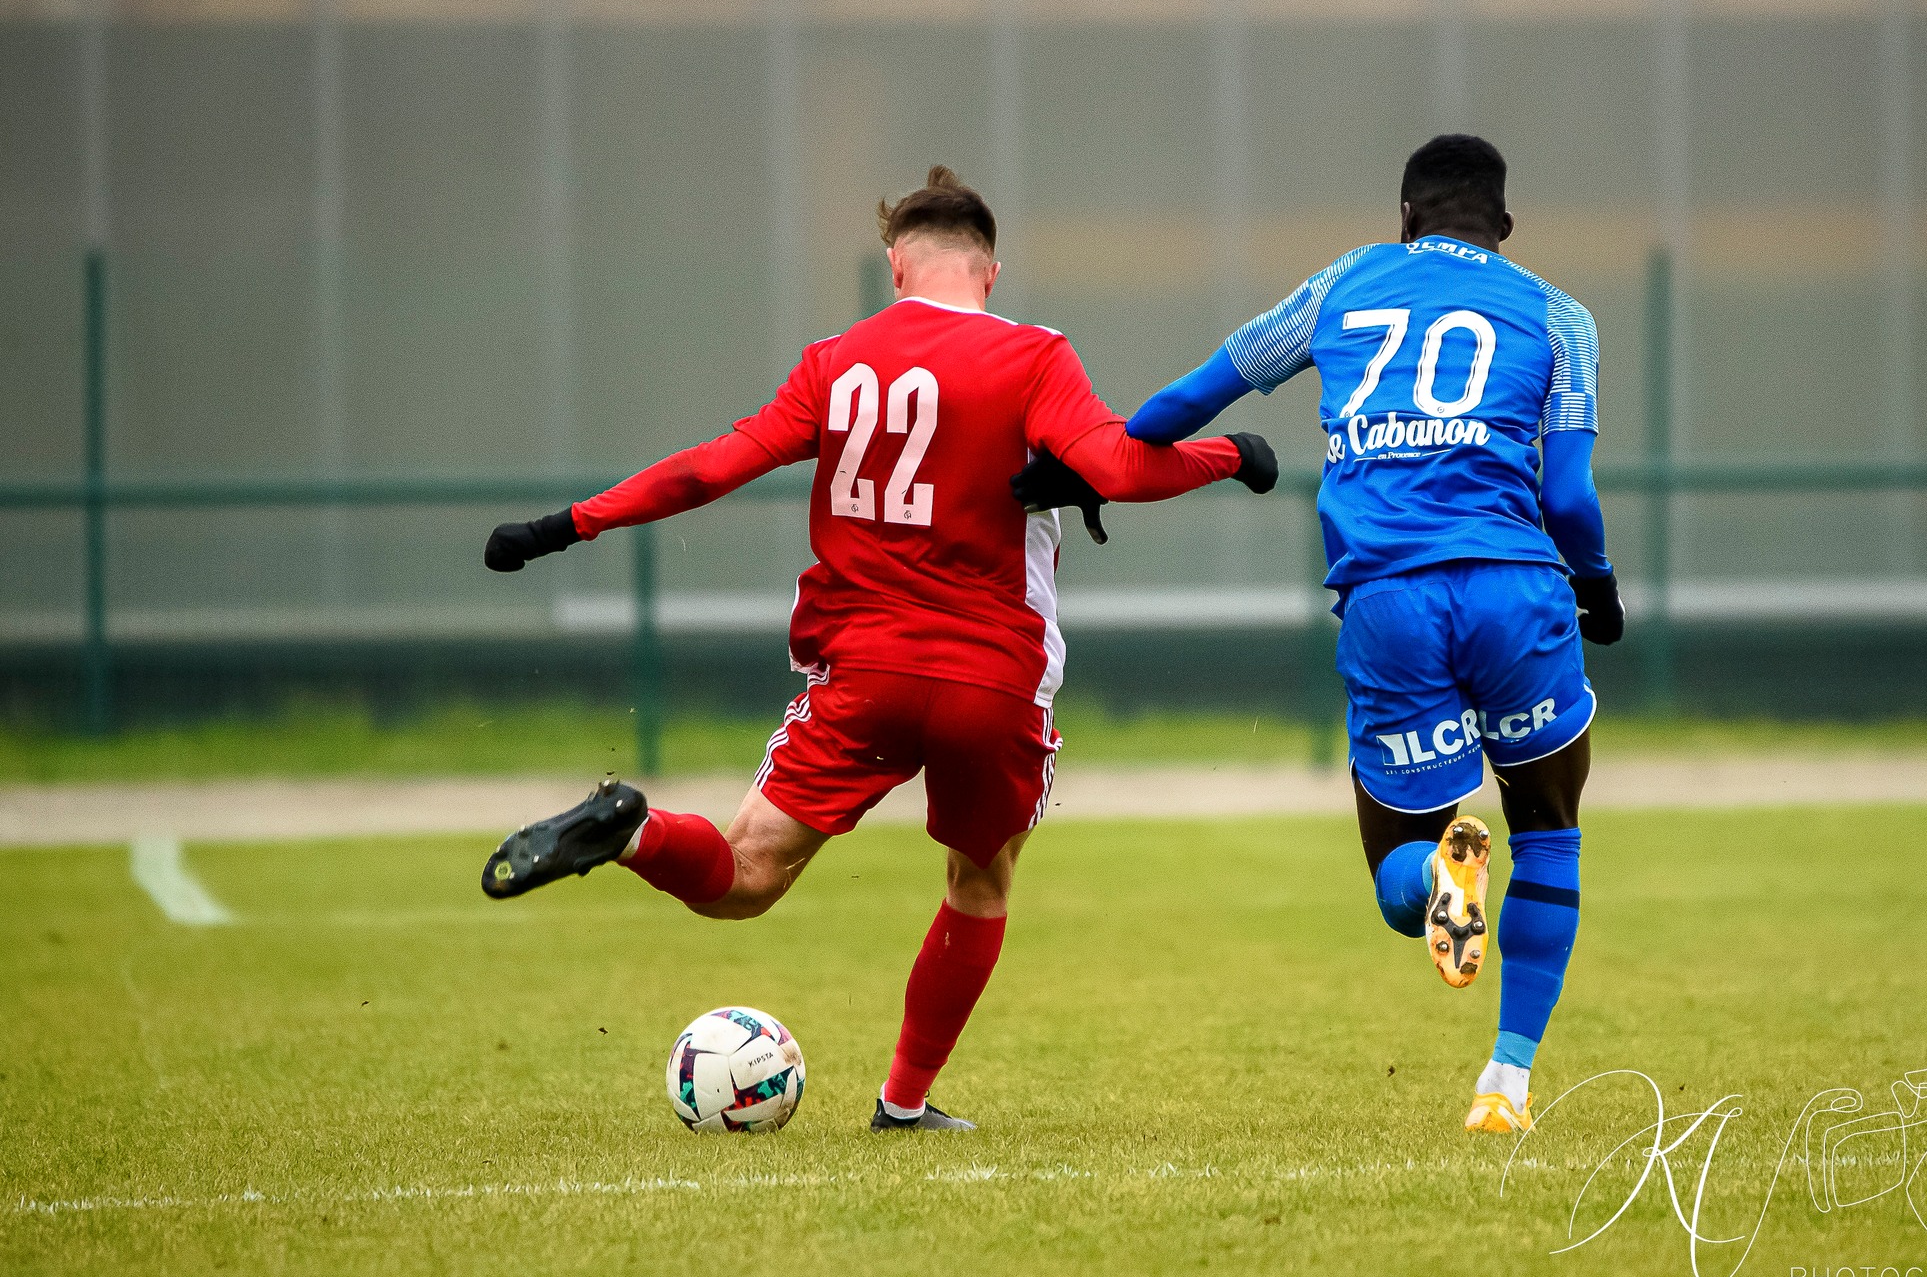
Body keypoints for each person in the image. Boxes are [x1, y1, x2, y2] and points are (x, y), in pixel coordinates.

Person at [475, 166, 1279, 1133]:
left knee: (743, 877)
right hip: (992, 677)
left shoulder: (835, 360)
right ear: (989, 269)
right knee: (981, 880)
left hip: (864, 671)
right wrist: (1232, 456)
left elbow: (710, 468)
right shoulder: (1032, 356)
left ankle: (633, 831)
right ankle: (902, 1101)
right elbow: (1117, 466)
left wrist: (569, 524)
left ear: (896, 263)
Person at [1122, 135, 1623, 1133]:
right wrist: (1597, 587)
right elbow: (1565, 493)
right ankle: (1506, 1085)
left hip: (1387, 592)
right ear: (1504, 227)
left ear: (1404, 218)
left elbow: (1183, 403)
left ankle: (1439, 876)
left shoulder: (1343, 283)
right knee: (1549, 829)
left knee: (1398, 869)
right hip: (1515, 586)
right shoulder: (1559, 314)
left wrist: (1107, 450)